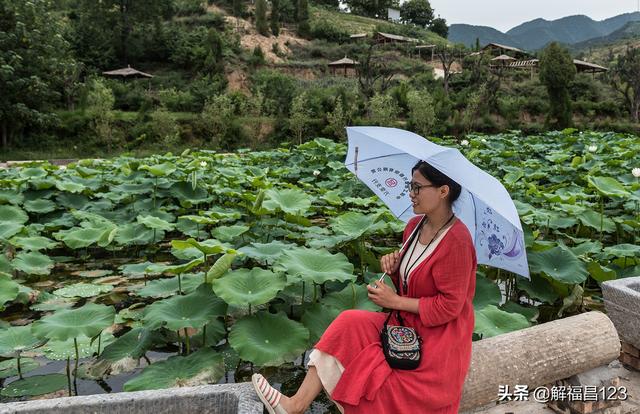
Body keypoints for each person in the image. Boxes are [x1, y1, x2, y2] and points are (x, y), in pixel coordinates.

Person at [252, 160, 477, 414]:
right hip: (405, 323)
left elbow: (449, 307)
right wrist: (395, 265)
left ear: (443, 191)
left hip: (438, 340)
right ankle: (295, 405)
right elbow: (416, 277)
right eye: (409, 186)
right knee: (347, 323)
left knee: (383, 377)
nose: (410, 194)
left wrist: (394, 302)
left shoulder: (458, 240)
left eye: (416, 187)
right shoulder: (415, 227)